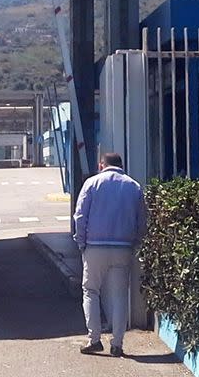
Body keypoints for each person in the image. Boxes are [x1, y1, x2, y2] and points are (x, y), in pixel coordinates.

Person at [73, 152, 147, 357]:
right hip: (123, 248)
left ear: (101, 165)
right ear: (121, 165)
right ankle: (118, 344)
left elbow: (80, 215)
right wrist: (135, 242)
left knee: (90, 291)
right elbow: (142, 221)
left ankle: (94, 339)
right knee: (120, 296)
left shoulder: (92, 183)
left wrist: (81, 243)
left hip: (95, 247)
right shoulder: (134, 186)